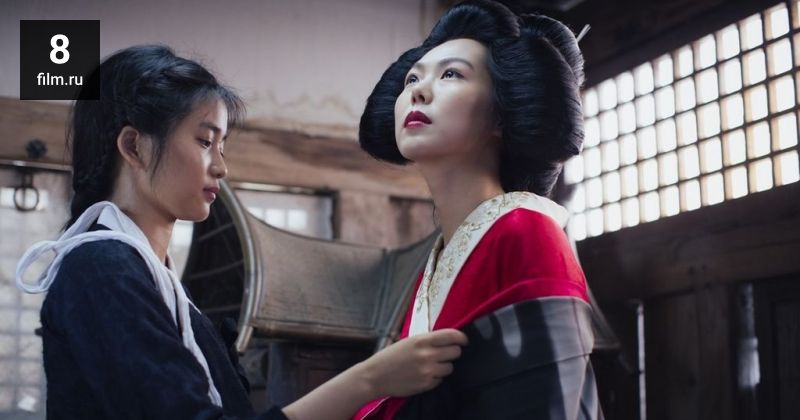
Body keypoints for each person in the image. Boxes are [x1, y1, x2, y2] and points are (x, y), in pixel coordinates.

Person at [15, 45, 467, 420]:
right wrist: (370, 379)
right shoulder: (101, 269)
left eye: (222, 145)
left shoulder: (152, 280)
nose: (221, 166)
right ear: (134, 146)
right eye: (204, 141)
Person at [355, 1, 602, 418]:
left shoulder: (526, 232)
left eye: (451, 74)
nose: (418, 91)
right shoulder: (440, 258)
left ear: (502, 115)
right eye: (413, 77)